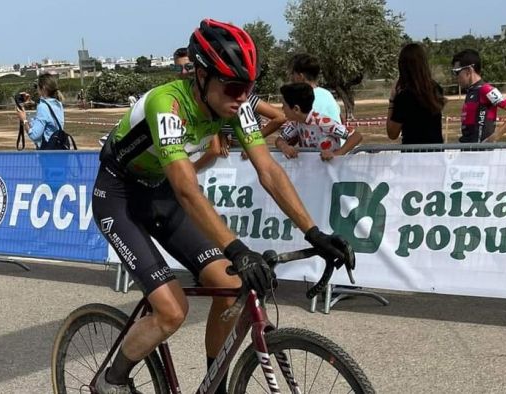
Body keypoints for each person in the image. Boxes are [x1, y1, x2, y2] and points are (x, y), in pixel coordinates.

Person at [92, 19, 350, 394]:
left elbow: (270, 171)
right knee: (171, 310)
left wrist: (314, 232)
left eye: (247, 88)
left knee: (230, 287)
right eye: (232, 86)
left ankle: (214, 386)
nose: (242, 97)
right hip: (119, 197)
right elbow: (186, 188)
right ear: (200, 75)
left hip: (158, 192)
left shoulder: (237, 106)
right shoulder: (168, 104)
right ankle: (110, 380)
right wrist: (239, 250)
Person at [173, 46, 286, 169]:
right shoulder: (182, 98)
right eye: (178, 68)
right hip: (228, 154)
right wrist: (223, 136)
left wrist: (251, 141)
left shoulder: (238, 97)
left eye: (189, 67)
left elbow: (279, 117)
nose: (183, 72)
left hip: (244, 153)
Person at [452, 49, 506, 143]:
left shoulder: (486, 89)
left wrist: (495, 136)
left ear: (469, 70)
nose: (455, 76)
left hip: (481, 153)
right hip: (468, 150)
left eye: (456, 72)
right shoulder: (471, 91)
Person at [276, 82, 362, 161]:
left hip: (331, 173)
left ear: (296, 109)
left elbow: (356, 136)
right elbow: (280, 139)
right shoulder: (296, 123)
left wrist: (336, 154)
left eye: (284, 106)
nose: (282, 109)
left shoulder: (323, 122)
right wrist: (284, 147)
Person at [387, 43, 446, 144]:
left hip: (412, 155)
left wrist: (392, 100)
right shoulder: (436, 88)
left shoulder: (404, 96)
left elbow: (392, 133)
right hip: (436, 153)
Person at [16, 73, 65, 150]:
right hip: (58, 149)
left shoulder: (43, 107)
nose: (37, 89)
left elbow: (34, 135)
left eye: (37, 86)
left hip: (46, 153)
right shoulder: (58, 103)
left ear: (44, 88)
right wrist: (33, 103)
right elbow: (48, 116)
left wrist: (24, 119)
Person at [288, 53, 342, 123]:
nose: (291, 78)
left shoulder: (306, 99)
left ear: (301, 76)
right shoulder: (327, 94)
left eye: (292, 74)